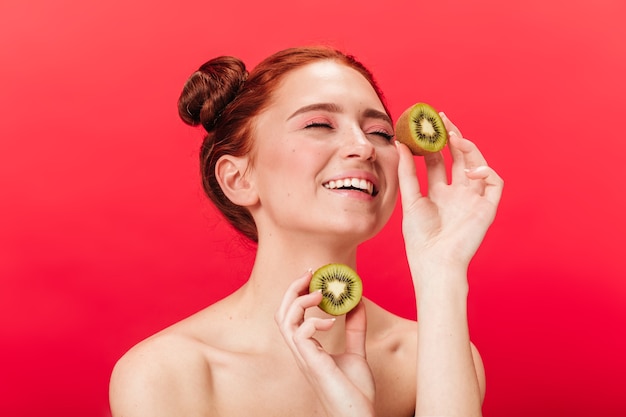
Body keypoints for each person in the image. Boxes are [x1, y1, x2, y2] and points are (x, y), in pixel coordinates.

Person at [109, 45, 503, 417]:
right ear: (238, 179)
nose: (363, 147)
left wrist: (442, 271)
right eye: (318, 124)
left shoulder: (432, 355)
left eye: (380, 133)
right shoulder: (166, 375)